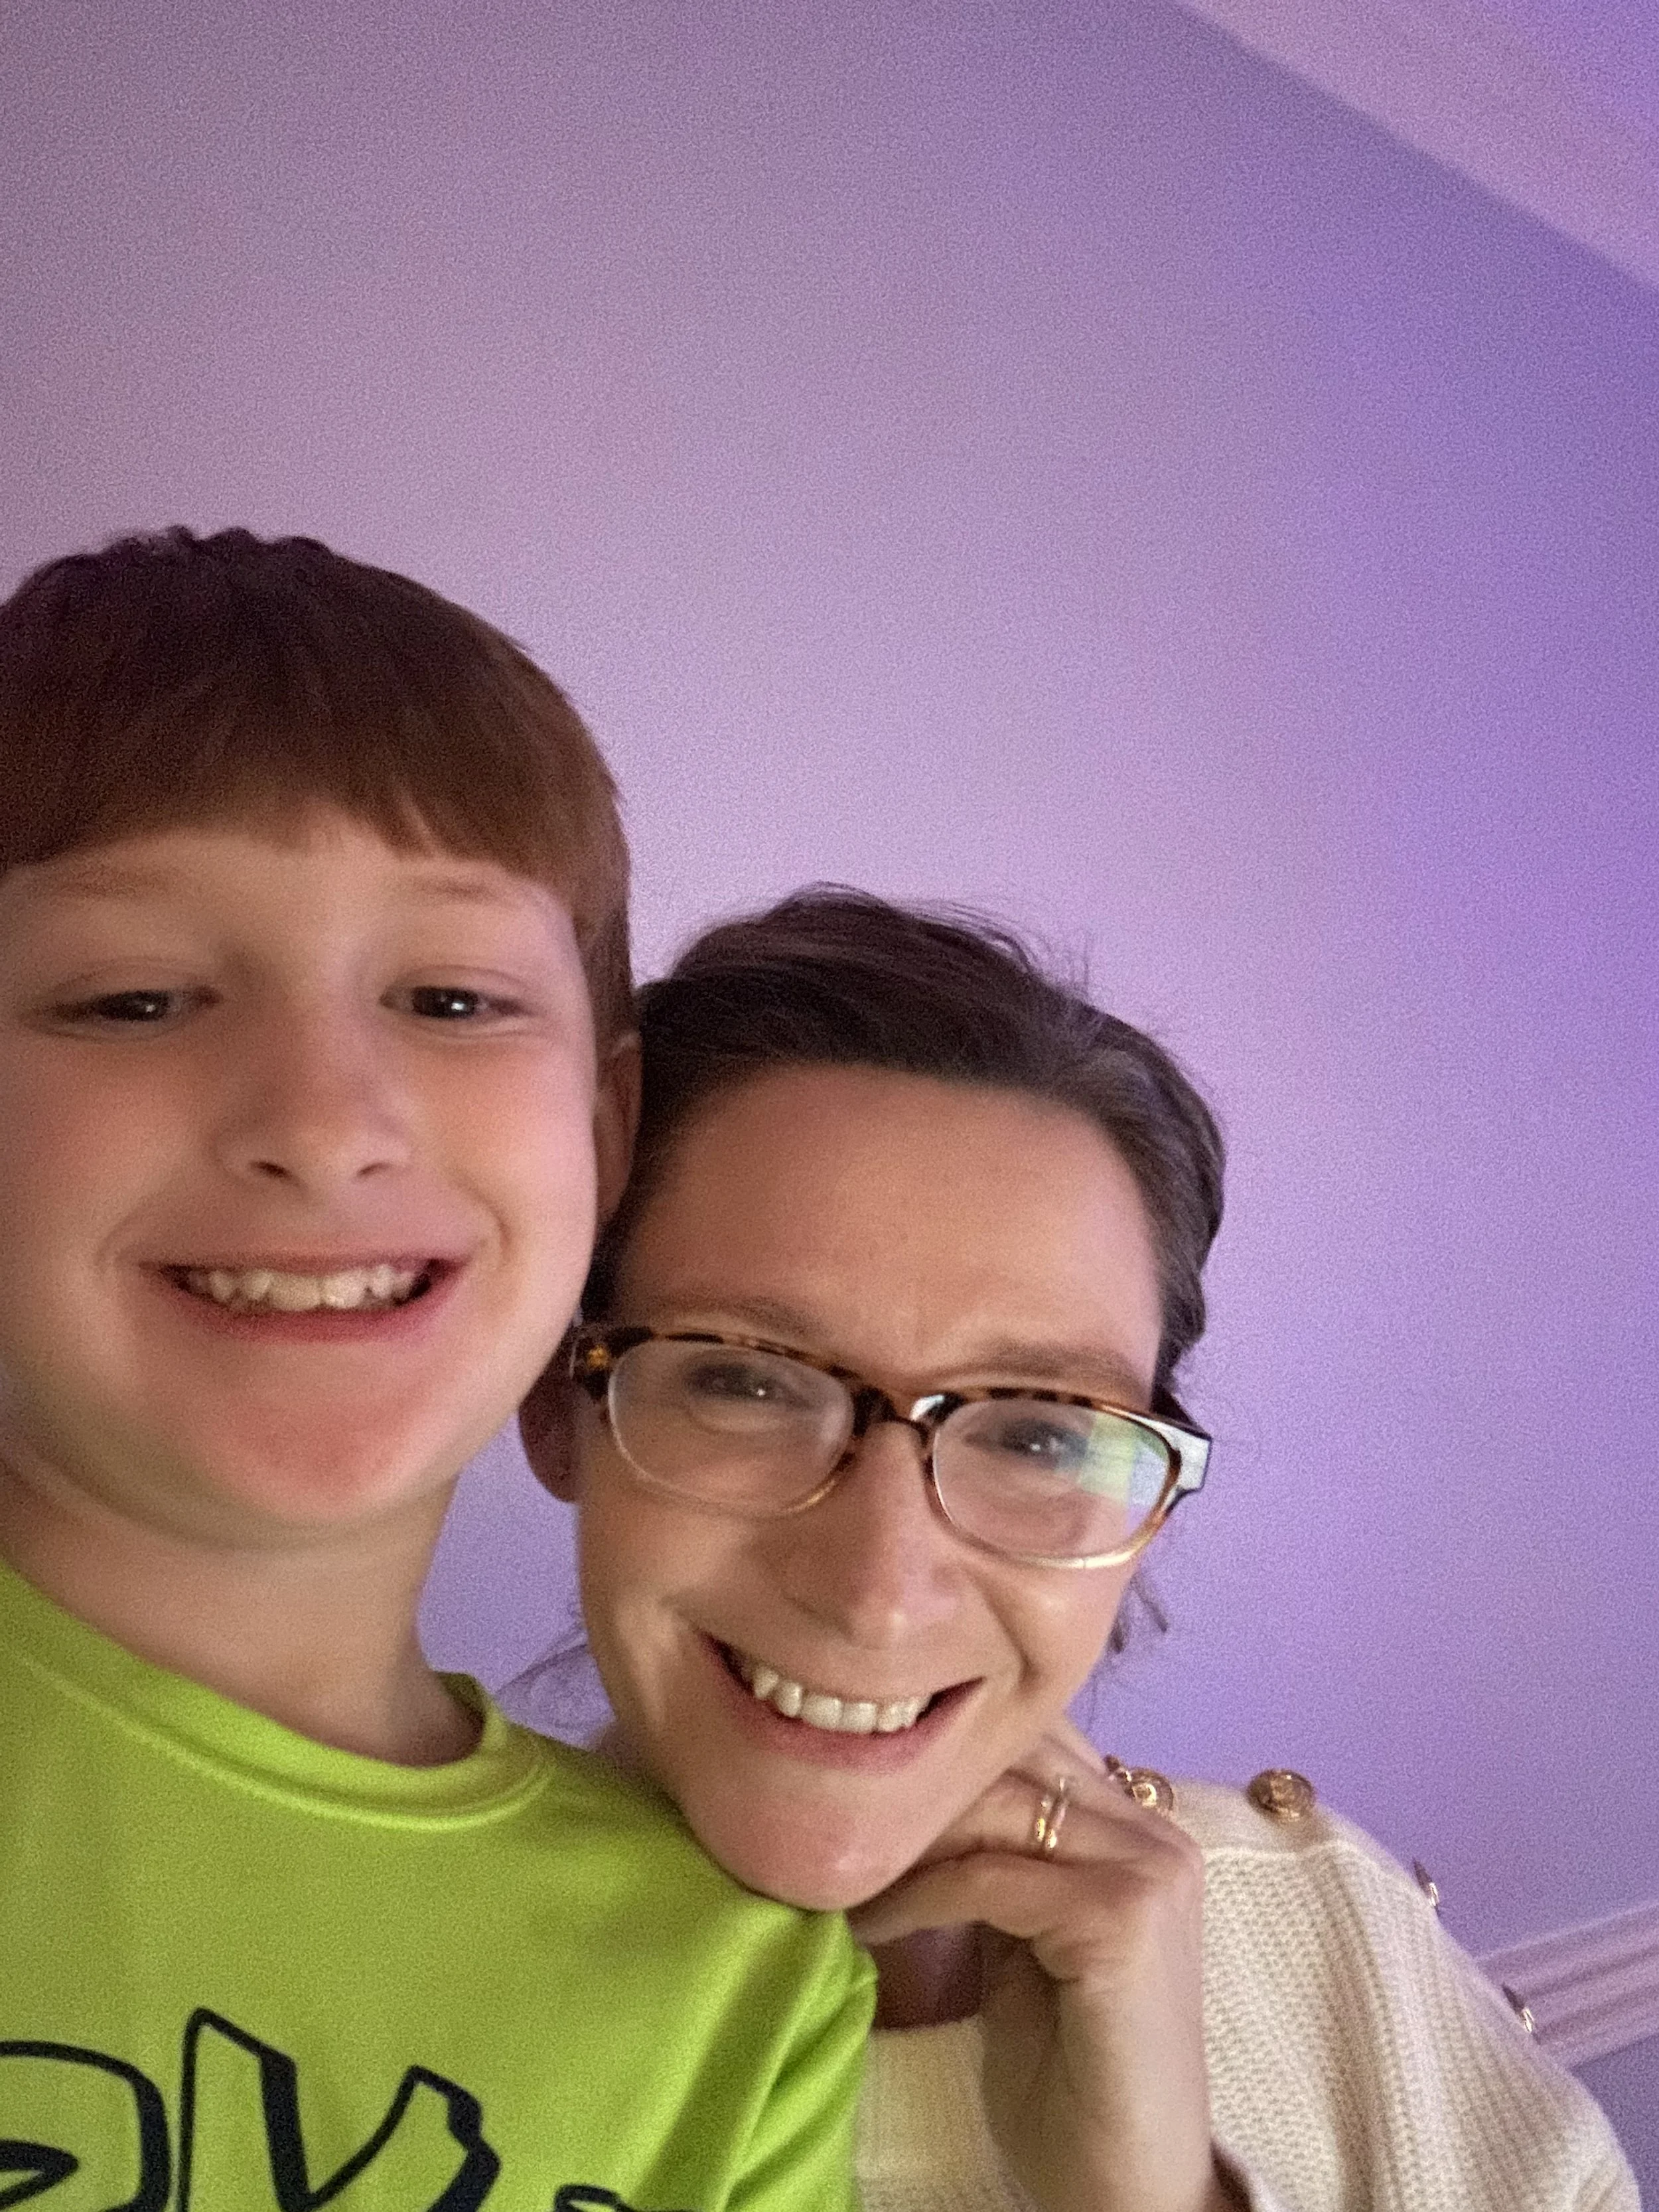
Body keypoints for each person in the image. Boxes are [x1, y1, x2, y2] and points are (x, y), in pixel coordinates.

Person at [517, 887, 1638, 2212]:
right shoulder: (329, 1996)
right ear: (559, 1408)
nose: (878, 1590)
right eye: (746, 1384)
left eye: (1035, 1434)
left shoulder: (1329, 1930)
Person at [0, 532, 871, 2208]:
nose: (324, 1126)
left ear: (604, 1129)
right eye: (133, 999)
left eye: (454, 997)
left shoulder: (733, 1992)